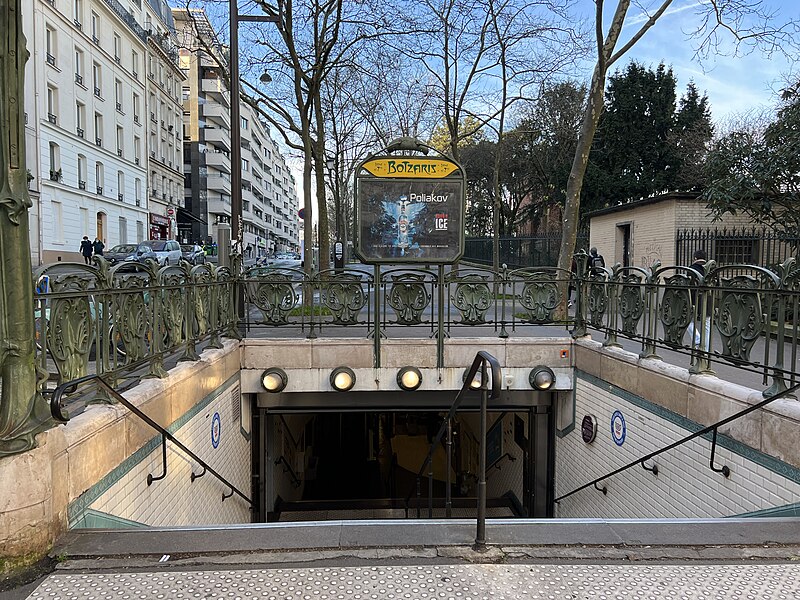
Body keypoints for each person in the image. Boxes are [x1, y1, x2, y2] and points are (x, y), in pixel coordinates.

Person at [687, 249, 710, 351]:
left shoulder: (692, 269)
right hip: (708, 299)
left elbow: (689, 284)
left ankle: (697, 339)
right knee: (707, 324)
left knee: (688, 320)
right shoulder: (710, 269)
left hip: (694, 298)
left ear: (695, 258)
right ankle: (705, 350)